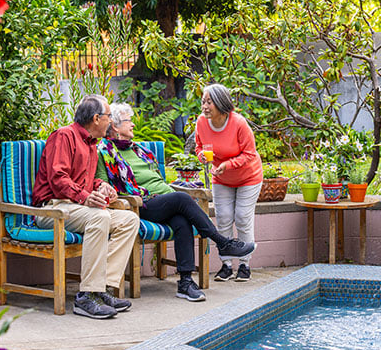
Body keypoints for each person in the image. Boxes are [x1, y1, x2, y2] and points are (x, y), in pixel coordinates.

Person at [96, 102, 256, 303]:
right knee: (181, 199)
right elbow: (102, 182)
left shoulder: (138, 149)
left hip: (164, 200)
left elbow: (157, 179)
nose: (133, 125)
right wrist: (104, 188)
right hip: (141, 205)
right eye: (129, 121)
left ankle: (185, 282)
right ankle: (222, 242)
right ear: (116, 127)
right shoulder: (104, 152)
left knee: (181, 220)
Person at [32, 95, 140, 320]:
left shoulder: (92, 144)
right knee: (99, 217)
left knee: (129, 220)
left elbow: (86, 181)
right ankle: (86, 296)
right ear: (96, 118)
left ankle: (104, 289)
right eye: (109, 117)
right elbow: (58, 179)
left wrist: (101, 187)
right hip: (52, 208)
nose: (111, 122)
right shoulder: (64, 136)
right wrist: (85, 197)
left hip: (75, 207)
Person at [195, 84, 263, 282]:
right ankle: (226, 265)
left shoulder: (238, 123)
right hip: (221, 176)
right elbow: (199, 146)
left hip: (248, 177)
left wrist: (229, 164)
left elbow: (250, 153)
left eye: (209, 102)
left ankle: (244, 264)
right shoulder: (201, 122)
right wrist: (201, 156)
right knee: (223, 217)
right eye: (203, 102)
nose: (204, 106)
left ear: (221, 103)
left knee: (242, 217)